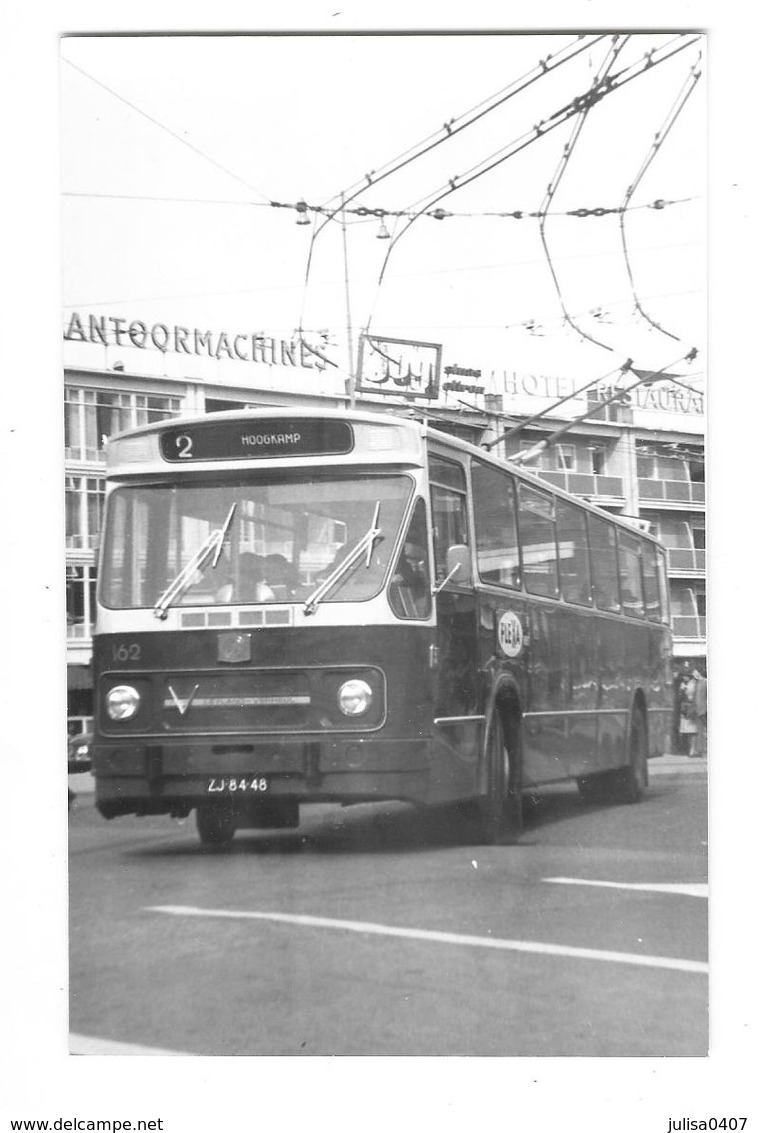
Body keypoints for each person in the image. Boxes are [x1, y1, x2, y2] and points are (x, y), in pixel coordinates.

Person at [678, 669, 698, 756]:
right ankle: (689, 749)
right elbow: (680, 697)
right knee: (687, 731)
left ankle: (692, 749)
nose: (683, 677)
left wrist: (684, 690)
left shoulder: (693, 685)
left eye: (685, 676)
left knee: (692, 731)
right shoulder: (684, 685)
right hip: (685, 709)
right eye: (683, 676)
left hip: (691, 708)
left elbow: (692, 697)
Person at [691, 668, 707, 757]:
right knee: (699, 731)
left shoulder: (705, 682)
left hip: (704, 710)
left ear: (699, 672)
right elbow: (695, 697)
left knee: (704, 731)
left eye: (694, 672)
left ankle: (704, 750)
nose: (693, 674)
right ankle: (701, 750)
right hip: (698, 710)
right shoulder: (696, 683)